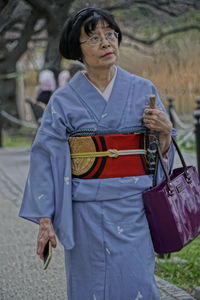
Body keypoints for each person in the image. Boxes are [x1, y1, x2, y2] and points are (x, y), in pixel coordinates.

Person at [19, 7, 175, 300]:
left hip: (133, 206)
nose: (106, 43)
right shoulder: (64, 100)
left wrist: (165, 132)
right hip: (83, 209)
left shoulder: (143, 90)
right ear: (77, 50)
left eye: (110, 34)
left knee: (137, 281)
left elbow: (160, 155)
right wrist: (45, 219)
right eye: (93, 38)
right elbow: (44, 158)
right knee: (89, 286)